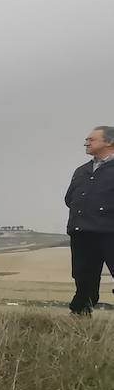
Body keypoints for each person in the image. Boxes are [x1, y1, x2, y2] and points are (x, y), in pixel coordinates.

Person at [67, 126, 114, 316]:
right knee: (83, 278)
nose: (86, 143)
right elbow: (70, 198)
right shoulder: (81, 170)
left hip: (110, 232)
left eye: (91, 139)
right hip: (82, 233)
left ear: (109, 142)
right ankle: (80, 317)